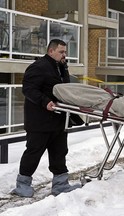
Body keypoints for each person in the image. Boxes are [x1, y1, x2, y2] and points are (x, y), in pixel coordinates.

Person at [12, 39, 81, 197]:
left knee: (59, 153)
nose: (65, 55)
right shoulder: (39, 66)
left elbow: (64, 89)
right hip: (40, 121)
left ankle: (60, 185)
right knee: (34, 152)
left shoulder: (60, 67)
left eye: (65, 52)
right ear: (51, 51)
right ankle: (22, 186)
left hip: (58, 120)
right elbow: (28, 89)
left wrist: (64, 67)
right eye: (61, 52)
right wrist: (45, 102)